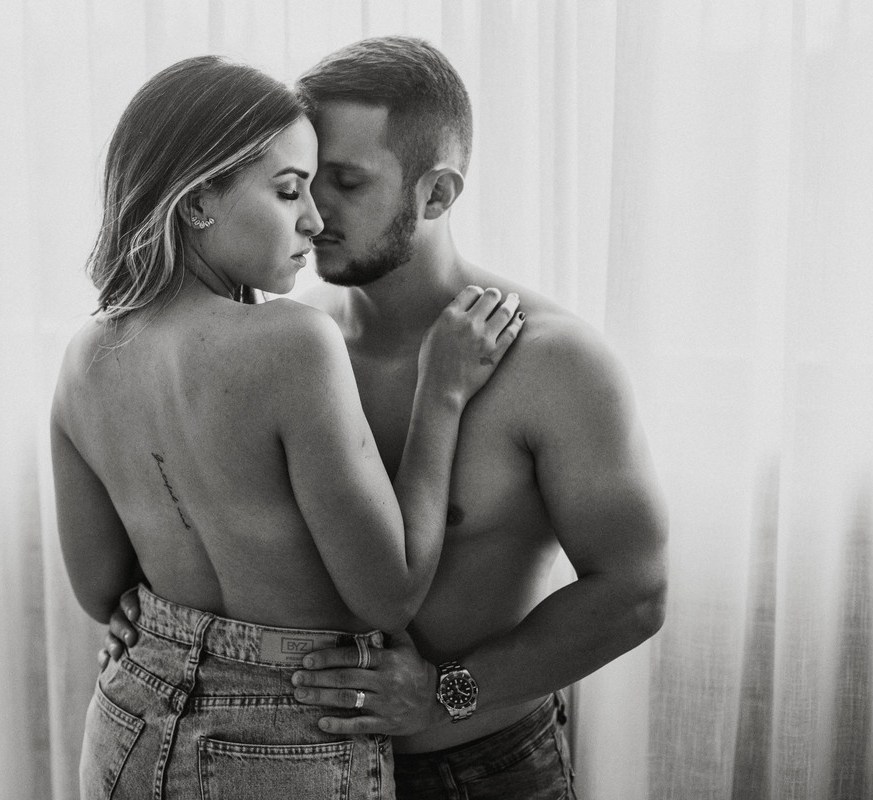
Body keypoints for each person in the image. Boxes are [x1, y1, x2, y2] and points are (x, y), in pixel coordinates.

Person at [101, 37, 669, 799]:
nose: (312, 214)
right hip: (288, 772)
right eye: (300, 181)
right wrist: (144, 620)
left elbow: (634, 592)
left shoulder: (552, 363)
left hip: (477, 772)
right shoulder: (285, 345)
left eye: (345, 182)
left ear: (435, 195)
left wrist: (444, 692)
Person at [52, 55, 525, 800]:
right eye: (288, 190)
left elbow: (100, 590)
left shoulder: (85, 356)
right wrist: (442, 391)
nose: (315, 219)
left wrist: (173, 627)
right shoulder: (294, 342)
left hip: (130, 717)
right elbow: (390, 594)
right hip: (286, 736)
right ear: (198, 201)